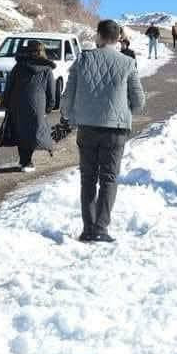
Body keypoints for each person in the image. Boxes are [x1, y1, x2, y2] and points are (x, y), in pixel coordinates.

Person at [61, 19, 146, 243]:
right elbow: (139, 101)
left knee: (87, 178)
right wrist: (126, 109)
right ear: (118, 38)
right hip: (115, 129)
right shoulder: (127, 63)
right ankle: (101, 228)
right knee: (108, 178)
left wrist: (69, 116)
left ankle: (87, 229)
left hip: (87, 127)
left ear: (98, 36)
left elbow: (67, 96)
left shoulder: (82, 59)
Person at [1, 41, 55, 172]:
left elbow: (9, 86)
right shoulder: (47, 70)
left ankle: (24, 160)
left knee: (21, 130)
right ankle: (28, 161)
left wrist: (6, 102)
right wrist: (49, 107)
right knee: (33, 131)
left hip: (17, 103)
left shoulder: (18, 66)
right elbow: (51, 91)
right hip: (38, 103)